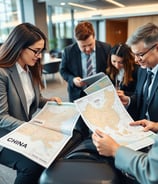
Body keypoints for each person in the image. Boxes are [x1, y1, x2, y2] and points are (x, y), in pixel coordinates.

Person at [92, 22, 158, 184]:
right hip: (143, 135)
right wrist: (128, 100)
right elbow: (141, 97)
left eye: (140, 54)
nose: (136, 60)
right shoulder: (144, 69)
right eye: (134, 55)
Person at [0, 23, 62, 184]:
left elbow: (35, 99)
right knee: (31, 165)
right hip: (3, 135)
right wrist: (30, 129)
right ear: (20, 47)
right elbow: (1, 117)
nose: (39, 55)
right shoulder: (2, 73)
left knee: (49, 155)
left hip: (21, 130)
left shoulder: (31, 68)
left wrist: (49, 101)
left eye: (41, 51)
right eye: (36, 51)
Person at [60, 21, 111, 102]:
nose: (87, 49)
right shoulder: (68, 51)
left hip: (100, 91)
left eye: (90, 44)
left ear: (94, 37)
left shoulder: (106, 48)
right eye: (83, 46)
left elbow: (111, 70)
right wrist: (73, 80)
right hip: (77, 93)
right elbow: (63, 71)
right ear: (76, 41)